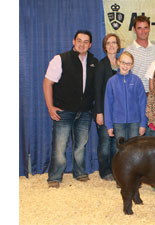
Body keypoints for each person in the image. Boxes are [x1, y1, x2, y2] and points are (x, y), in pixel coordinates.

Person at [43, 30, 98, 188]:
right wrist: (50, 107)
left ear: (90, 44)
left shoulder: (93, 61)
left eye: (86, 41)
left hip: (85, 111)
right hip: (63, 110)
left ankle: (79, 172)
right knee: (60, 145)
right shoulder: (60, 59)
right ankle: (54, 176)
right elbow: (47, 83)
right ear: (73, 41)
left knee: (80, 145)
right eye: (79, 40)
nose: (82, 44)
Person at [104, 51, 147, 148]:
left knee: (134, 149)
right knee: (120, 150)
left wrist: (143, 123)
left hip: (135, 122)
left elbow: (142, 103)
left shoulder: (137, 81)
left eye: (128, 63)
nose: (125, 66)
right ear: (118, 62)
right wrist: (109, 125)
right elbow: (108, 105)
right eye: (123, 62)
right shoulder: (111, 82)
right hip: (118, 122)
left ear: (132, 65)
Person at [94, 33, 121, 181]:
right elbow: (97, 90)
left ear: (118, 46)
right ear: (105, 47)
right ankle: (104, 171)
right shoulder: (101, 65)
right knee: (105, 143)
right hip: (104, 111)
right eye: (108, 43)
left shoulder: (122, 64)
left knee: (116, 144)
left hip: (118, 113)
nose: (111, 46)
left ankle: (115, 170)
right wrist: (99, 112)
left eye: (114, 43)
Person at [124, 15, 155, 93]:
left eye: (146, 27)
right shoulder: (128, 51)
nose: (143, 31)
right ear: (134, 30)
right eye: (139, 28)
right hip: (135, 94)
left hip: (153, 95)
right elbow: (125, 75)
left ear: (149, 28)